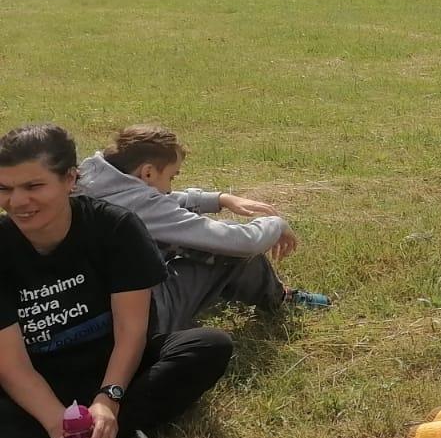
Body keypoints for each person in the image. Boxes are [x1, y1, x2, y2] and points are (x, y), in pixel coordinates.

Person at [0, 125, 233, 438]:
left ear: (70, 179)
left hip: (112, 371)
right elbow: (12, 365)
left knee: (208, 346)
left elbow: (131, 331)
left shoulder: (115, 228)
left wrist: (108, 398)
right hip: (36, 384)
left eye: (33, 186)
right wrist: (57, 422)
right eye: (5, 189)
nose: (17, 201)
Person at [75, 125, 330, 334]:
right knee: (229, 250)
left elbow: (152, 201)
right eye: (171, 177)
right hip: (143, 319)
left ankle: (227, 292)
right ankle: (279, 297)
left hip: (87, 311)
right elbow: (240, 242)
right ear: (148, 172)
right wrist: (275, 224)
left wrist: (219, 199)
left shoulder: (90, 179)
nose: (170, 188)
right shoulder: (139, 207)